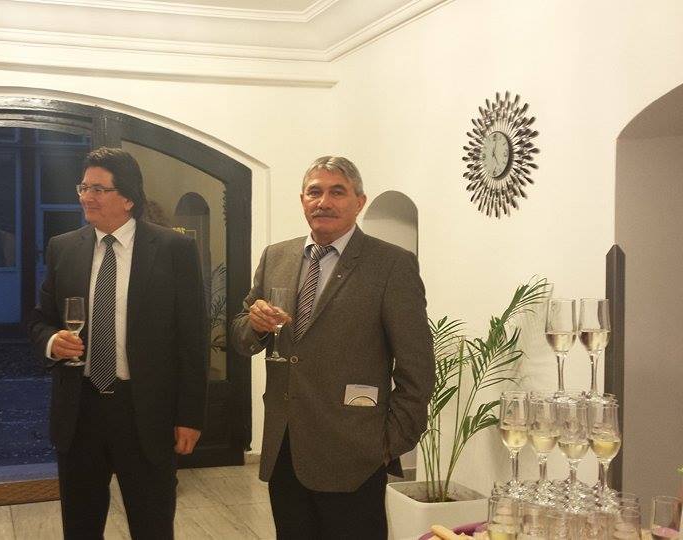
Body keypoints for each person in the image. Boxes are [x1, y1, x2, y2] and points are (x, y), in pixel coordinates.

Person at [229, 156, 434, 538]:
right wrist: (254, 325)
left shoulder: (391, 264)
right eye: (315, 192)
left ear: (359, 202)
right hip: (286, 448)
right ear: (302, 200)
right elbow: (241, 337)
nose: (323, 201)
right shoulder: (276, 256)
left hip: (354, 454)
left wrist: (389, 444)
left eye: (337, 192)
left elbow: (417, 366)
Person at [27, 147, 207, 539]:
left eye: (98, 189)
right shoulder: (63, 247)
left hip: (145, 413)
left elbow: (193, 338)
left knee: (152, 525)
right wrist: (52, 341)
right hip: (80, 411)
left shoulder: (173, 250)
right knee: (80, 527)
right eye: (83, 187)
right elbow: (40, 320)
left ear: (128, 198)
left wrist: (190, 415)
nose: (86, 197)